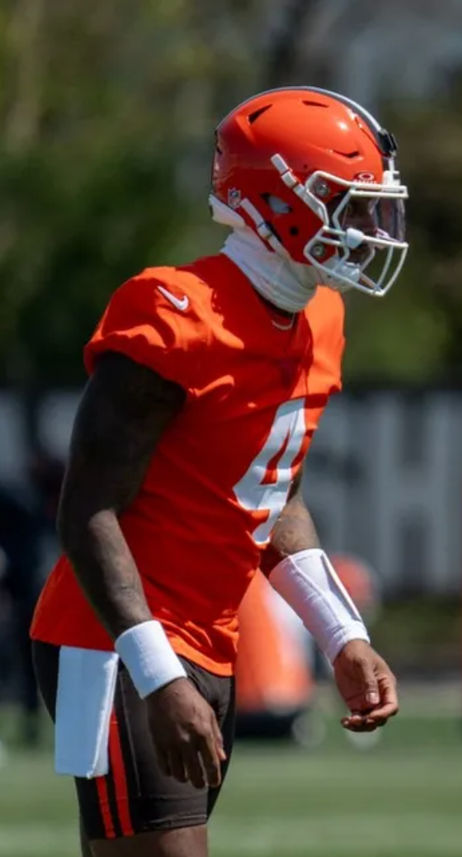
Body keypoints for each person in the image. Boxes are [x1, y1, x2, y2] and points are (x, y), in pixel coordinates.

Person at [28, 86, 406, 857]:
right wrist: (159, 674)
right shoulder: (175, 312)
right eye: (347, 204)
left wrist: (340, 632)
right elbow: (87, 508)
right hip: (112, 641)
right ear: (275, 201)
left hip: (209, 640)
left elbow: (274, 494)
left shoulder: (319, 318)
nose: (367, 229)